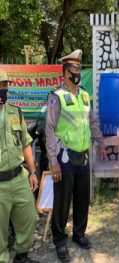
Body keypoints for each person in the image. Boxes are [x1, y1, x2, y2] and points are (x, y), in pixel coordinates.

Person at [45, 50, 106, 263]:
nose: (78, 73)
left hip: (83, 155)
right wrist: (53, 161)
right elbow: (50, 130)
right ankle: (60, 241)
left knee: (82, 198)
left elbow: (93, 121)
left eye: (80, 69)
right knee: (62, 201)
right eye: (74, 70)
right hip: (64, 156)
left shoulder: (84, 94)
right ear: (65, 73)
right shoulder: (57, 97)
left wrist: (100, 142)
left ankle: (79, 234)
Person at [0, 69, 39, 263]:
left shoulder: (16, 111)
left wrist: (32, 171)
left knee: (28, 218)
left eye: (5, 85)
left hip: (19, 177)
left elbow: (25, 143)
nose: (2, 89)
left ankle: (21, 256)